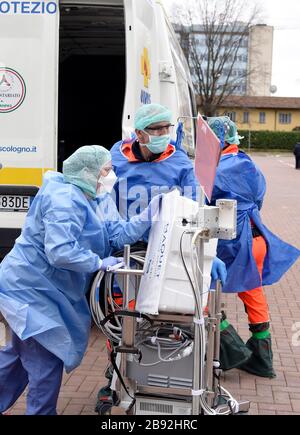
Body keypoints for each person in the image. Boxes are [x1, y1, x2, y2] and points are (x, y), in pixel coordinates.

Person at [0, 145, 161, 415]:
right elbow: (60, 251)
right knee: (46, 363)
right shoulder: (63, 198)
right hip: (29, 289)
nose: (111, 176)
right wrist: (97, 262)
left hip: (44, 291)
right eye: (106, 171)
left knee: (17, 358)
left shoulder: (94, 197)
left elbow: (114, 234)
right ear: (87, 172)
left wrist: (146, 218)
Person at [94, 104, 228, 413]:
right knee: (120, 319)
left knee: (170, 316)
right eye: (156, 130)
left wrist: (209, 251)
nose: (164, 135)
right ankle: (114, 374)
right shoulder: (116, 157)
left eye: (167, 128)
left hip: (165, 253)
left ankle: (181, 376)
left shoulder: (179, 163)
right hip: (123, 254)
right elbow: (99, 197)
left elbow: (197, 207)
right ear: (139, 134)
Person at [208, 116, 300, 378]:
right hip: (256, 239)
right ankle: (263, 359)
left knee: (201, 291)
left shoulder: (215, 167)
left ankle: (232, 350)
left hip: (231, 246)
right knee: (253, 292)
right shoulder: (249, 164)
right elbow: (258, 200)